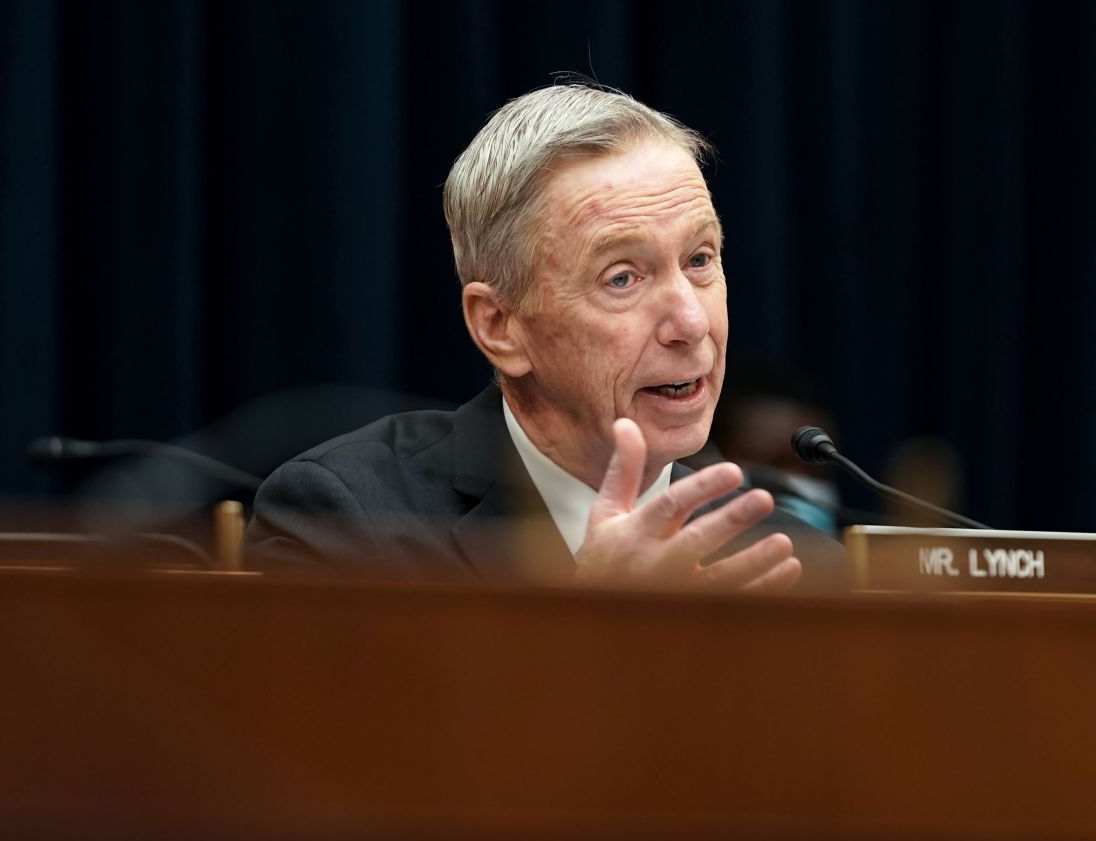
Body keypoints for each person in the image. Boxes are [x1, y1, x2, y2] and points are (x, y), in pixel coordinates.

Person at [246, 84, 845, 591]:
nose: (691, 324)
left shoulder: (796, 560)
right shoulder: (347, 519)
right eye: (622, 277)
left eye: (699, 260)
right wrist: (594, 628)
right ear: (499, 326)